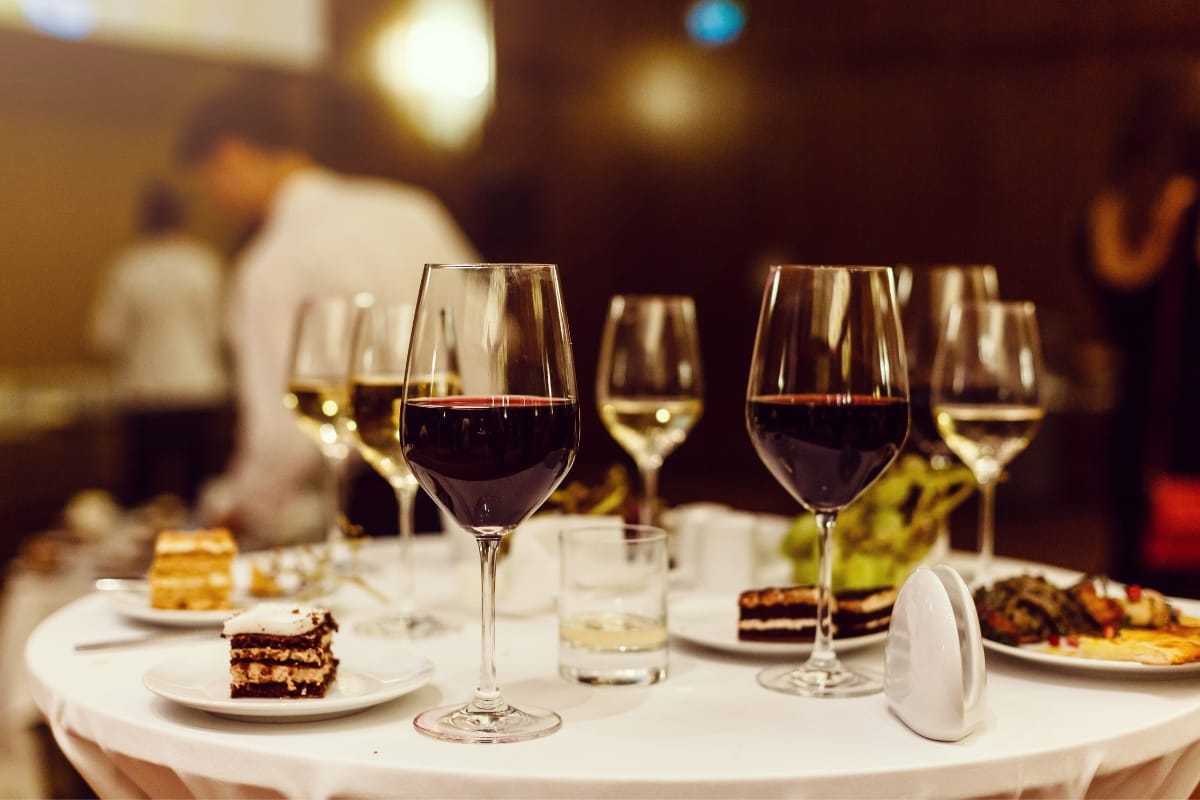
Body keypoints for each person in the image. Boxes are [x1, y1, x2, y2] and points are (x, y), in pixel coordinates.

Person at [175, 78, 478, 544]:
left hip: (381, 499)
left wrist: (235, 511)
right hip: (483, 472)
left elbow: (282, 436)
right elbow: (497, 334)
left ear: (229, 157)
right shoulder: (411, 208)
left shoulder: (272, 261)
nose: (214, 201)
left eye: (207, 184)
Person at [1080, 67, 1200, 587]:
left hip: (1128, 419)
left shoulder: (1102, 211)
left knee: (1131, 570)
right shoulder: (1185, 214)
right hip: (1183, 426)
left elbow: (1113, 307)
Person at [89, 180, 230, 507]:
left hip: (144, 394)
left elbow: (105, 335)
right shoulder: (203, 265)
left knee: (141, 496)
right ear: (185, 218)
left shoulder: (128, 268)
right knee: (201, 494)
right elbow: (221, 332)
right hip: (199, 390)